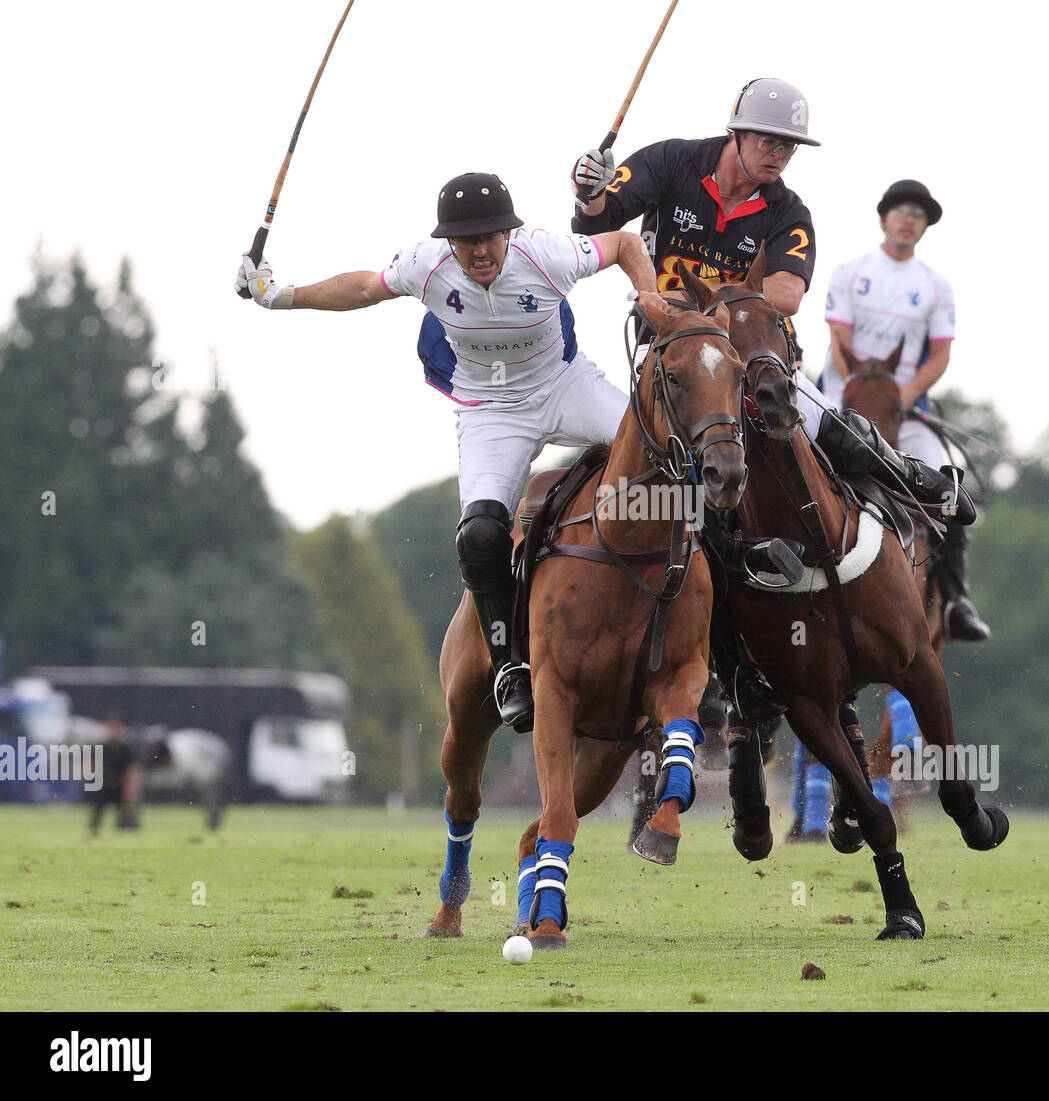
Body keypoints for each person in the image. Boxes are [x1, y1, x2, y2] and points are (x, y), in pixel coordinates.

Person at [569, 79, 978, 721]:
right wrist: (589, 187)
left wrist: (705, 297)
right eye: (769, 140)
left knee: (825, 425)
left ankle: (916, 481)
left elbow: (785, 293)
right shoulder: (672, 161)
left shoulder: (788, 211)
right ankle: (711, 657)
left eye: (789, 145)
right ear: (736, 132)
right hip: (676, 368)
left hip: (757, 366)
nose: (779, 154)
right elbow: (593, 222)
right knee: (666, 490)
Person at [236, 172, 666, 731]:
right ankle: (511, 664)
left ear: (509, 234)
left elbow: (626, 243)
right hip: (490, 409)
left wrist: (650, 297)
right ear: (448, 242)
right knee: (481, 536)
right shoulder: (427, 265)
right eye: (467, 241)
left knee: (668, 463)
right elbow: (364, 288)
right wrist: (279, 296)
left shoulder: (547, 255)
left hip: (565, 386)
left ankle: (710, 633)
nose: (481, 251)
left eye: (491, 237)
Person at [822, 178, 990, 641]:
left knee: (948, 480)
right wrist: (861, 388)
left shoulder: (935, 286)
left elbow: (939, 354)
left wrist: (902, 394)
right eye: (902, 210)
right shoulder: (850, 272)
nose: (910, 219)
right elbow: (840, 341)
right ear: (884, 218)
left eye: (919, 214)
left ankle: (955, 599)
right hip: (838, 403)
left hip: (904, 412)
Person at [87, 714, 140, 834]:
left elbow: (130, 770)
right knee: (97, 811)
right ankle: (94, 830)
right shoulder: (101, 747)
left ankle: (128, 829)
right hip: (104, 786)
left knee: (126, 813)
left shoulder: (126, 749)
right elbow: (92, 766)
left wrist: (130, 788)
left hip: (119, 786)